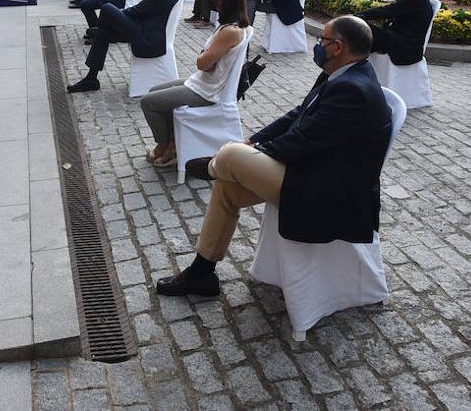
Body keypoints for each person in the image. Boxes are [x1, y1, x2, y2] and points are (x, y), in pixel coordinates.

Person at [154, 16, 392, 298]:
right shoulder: (343, 74)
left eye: (321, 40)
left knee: (230, 154)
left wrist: (250, 153)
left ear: (338, 47)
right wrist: (253, 140)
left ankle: (213, 165)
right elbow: (297, 115)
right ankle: (202, 272)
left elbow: (302, 141)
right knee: (228, 185)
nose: (317, 46)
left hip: (330, 192)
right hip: (313, 169)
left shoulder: (353, 90)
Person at [139, 0, 252, 168]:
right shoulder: (235, 25)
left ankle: (164, 145)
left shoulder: (230, 31)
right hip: (202, 82)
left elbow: (202, 63)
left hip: (207, 91)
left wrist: (206, 56)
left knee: (148, 102)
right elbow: (206, 62)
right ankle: (173, 143)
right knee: (155, 91)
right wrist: (207, 57)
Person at [68, 0, 185, 93]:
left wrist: (118, 15)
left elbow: (137, 11)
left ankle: (92, 74)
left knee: (107, 9)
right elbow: (142, 10)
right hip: (151, 29)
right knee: (103, 33)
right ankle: (91, 78)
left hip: (147, 36)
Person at [357, 0, 433, 64]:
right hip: (397, 37)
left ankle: (355, 67)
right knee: (360, 31)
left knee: (359, 29)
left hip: (406, 46)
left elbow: (387, 11)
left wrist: (359, 16)